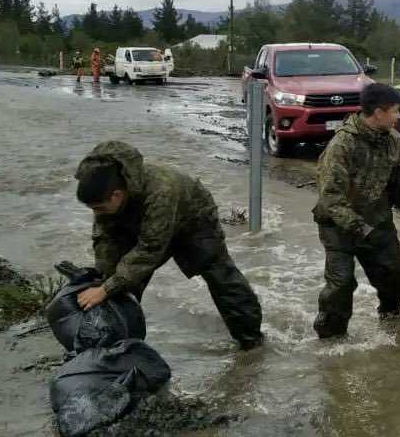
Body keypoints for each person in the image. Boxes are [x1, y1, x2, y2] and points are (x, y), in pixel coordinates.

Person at [73, 141, 264, 350]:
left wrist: (105, 290)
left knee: (219, 274)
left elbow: (148, 251)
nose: (96, 213)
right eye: (93, 209)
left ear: (117, 194)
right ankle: (118, 345)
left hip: (193, 221)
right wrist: (104, 284)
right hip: (142, 220)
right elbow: (105, 241)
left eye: (99, 208)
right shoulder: (106, 199)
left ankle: (251, 339)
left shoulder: (160, 191)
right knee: (119, 282)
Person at [312, 83, 400, 338]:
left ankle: (390, 320)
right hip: (338, 225)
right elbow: (331, 198)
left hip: (376, 219)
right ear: (378, 112)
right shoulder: (342, 145)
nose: (399, 117)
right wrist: (360, 229)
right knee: (341, 286)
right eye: (396, 111)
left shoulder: (393, 141)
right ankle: (331, 341)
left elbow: (399, 184)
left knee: (397, 275)